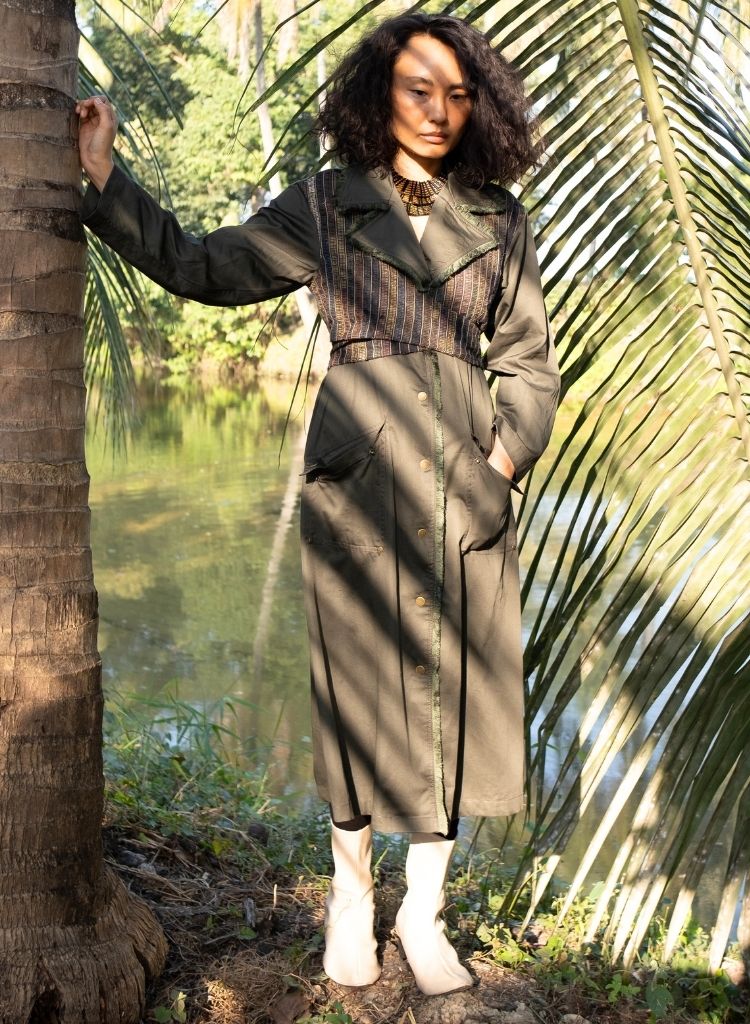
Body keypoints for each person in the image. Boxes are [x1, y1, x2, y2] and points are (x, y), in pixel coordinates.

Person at [76, 12, 560, 997]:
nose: (439, 110)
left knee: (451, 690)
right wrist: (104, 178)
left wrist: (503, 464)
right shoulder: (324, 205)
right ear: (380, 95)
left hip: (464, 478)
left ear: (479, 109)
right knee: (354, 688)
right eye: (419, 89)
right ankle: (351, 897)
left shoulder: (499, 218)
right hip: (357, 474)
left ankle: (422, 912)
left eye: (458, 94)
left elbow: (528, 362)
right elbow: (203, 266)